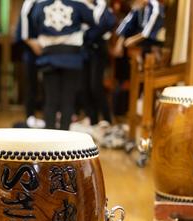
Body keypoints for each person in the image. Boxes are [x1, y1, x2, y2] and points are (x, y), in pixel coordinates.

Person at [25, 0, 106, 130]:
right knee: (68, 100)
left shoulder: (40, 5)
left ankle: (49, 138)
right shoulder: (77, 4)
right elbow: (100, 21)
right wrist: (86, 37)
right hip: (71, 56)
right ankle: (64, 140)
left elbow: (32, 25)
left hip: (49, 55)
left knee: (50, 100)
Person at [81, 4, 116, 126]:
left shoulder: (102, 6)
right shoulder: (81, 4)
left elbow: (109, 23)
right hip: (83, 51)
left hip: (97, 51)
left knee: (95, 86)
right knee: (85, 87)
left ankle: (107, 119)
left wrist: (88, 34)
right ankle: (92, 120)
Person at [14, 0, 44, 128]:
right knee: (30, 83)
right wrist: (32, 43)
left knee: (48, 85)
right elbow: (23, 28)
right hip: (30, 48)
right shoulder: (30, 3)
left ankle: (48, 115)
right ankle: (30, 116)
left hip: (49, 48)